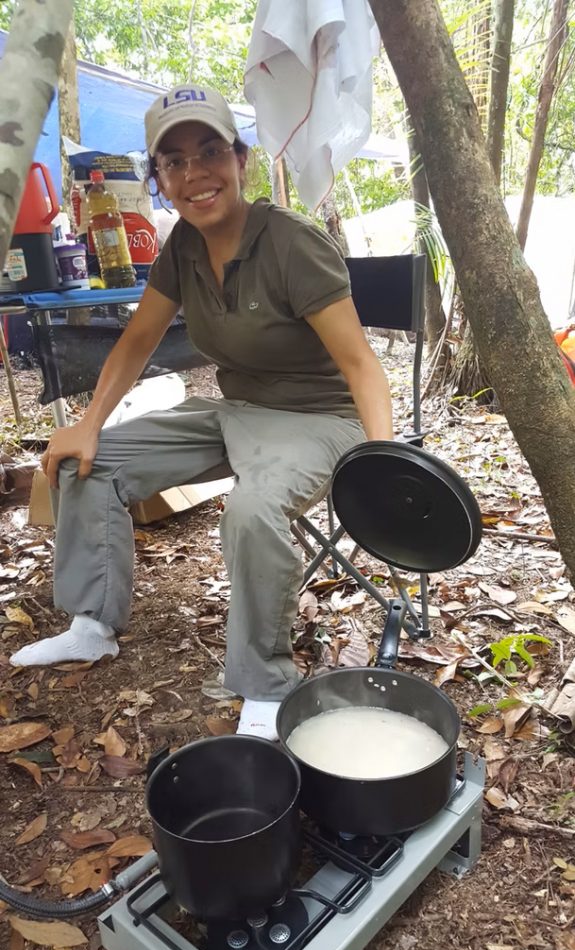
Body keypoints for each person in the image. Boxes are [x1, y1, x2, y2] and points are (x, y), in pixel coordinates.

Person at [11, 83, 393, 741]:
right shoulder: (182, 248)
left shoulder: (289, 244)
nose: (195, 173)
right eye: (175, 160)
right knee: (86, 461)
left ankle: (266, 687)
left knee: (253, 510)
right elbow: (137, 339)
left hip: (320, 418)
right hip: (237, 408)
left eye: (210, 150)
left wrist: (387, 463)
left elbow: (361, 364)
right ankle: (92, 624)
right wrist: (89, 422)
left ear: (239, 159)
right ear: (158, 178)